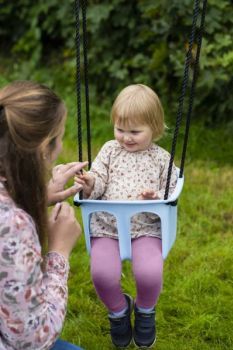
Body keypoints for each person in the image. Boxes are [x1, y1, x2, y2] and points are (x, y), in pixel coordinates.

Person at [75, 84, 178, 348]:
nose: (126, 137)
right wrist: (89, 184)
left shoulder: (160, 158)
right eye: (120, 129)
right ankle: (119, 311)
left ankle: (145, 311)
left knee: (149, 274)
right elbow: (98, 181)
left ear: (154, 129)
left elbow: (172, 186)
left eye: (135, 131)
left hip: (146, 227)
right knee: (102, 275)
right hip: (107, 227)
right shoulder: (110, 150)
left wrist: (155, 196)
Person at [0, 80, 87, 350]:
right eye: (60, 137)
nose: (61, 147)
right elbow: (32, 339)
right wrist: (59, 252)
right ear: (43, 148)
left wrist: (36, 198)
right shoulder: (13, 225)